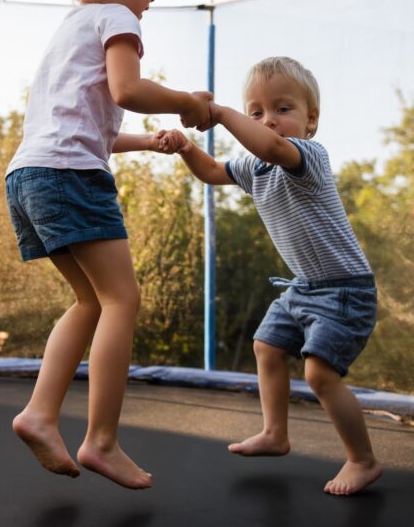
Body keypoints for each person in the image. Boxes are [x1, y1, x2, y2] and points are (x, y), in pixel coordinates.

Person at [0, 0, 212, 490]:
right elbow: (128, 90)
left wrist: (149, 140)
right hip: (68, 177)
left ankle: (40, 414)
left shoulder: (69, 31)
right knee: (122, 299)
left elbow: (95, 126)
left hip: (28, 175)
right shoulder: (117, 17)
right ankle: (102, 440)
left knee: (90, 301)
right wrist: (187, 102)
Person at [158, 56, 383, 495]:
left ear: (310, 120)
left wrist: (223, 113)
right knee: (266, 346)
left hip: (344, 290)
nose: (268, 121)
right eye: (256, 111)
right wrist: (187, 148)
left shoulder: (308, 156)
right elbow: (211, 171)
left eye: (282, 109)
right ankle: (275, 434)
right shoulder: (251, 167)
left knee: (319, 375)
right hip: (302, 287)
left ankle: (363, 459)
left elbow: (271, 147)